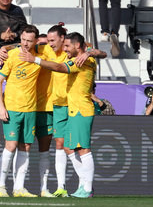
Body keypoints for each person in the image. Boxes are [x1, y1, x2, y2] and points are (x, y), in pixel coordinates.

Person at [20, 32, 97, 198]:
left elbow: (59, 67)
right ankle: (83, 184)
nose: (66, 49)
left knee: (83, 149)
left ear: (77, 46)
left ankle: (88, 188)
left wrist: (35, 60)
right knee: (69, 147)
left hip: (81, 109)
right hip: (73, 108)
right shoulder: (83, 57)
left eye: (68, 46)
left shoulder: (83, 60)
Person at [0, 25, 41, 198]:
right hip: (12, 108)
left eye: (29, 41)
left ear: (36, 41)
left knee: (26, 146)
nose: (26, 44)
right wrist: (1, 106)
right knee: (11, 145)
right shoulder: (12, 56)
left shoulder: (40, 56)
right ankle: (1, 186)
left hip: (30, 108)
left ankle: (19, 187)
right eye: (23, 40)